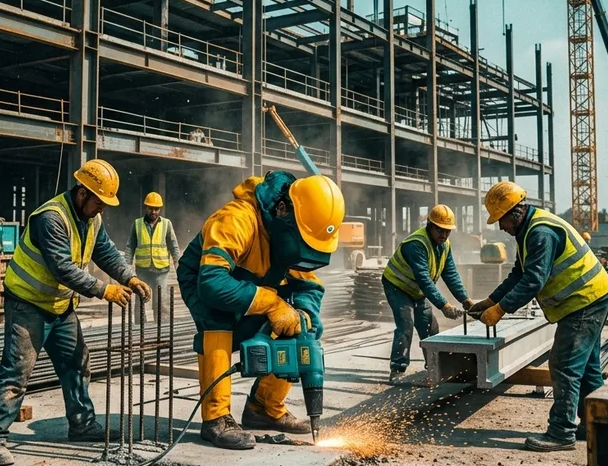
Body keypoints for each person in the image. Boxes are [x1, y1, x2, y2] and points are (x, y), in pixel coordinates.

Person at [0, 159, 152, 466]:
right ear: (82, 193)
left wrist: (129, 277)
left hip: (60, 307)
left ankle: (82, 425)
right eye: (99, 202)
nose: (102, 209)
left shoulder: (91, 219)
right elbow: (63, 268)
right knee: (17, 372)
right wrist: (104, 290)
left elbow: (106, 252)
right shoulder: (51, 218)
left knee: (77, 364)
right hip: (28, 305)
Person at [177, 171, 344, 450]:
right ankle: (216, 419)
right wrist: (271, 303)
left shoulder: (290, 231)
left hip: (258, 282)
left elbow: (309, 288)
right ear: (282, 210)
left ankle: (264, 408)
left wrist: (302, 315)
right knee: (217, 325)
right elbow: (212, 282)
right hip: (206, 281)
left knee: (303, 328)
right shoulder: (237, 218)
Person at [468, 182, 608, 452]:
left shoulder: (540, 233)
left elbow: (533, 281)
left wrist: (500, 310)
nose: (501, 228)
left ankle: (561, 433)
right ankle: (595, 426)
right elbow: (519, 274)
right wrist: (491, 300)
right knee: (588, 369)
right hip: (593, 297)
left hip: (583, 301)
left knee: (564, 365)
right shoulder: (529, 230)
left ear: (515, 212)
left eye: (501, 220)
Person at [382, 205, 470, 384]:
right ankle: (397, 369)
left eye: (447, 231)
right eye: (440, 230)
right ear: (430, 225)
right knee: (406, 324)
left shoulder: (444, 245)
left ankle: (434, 366)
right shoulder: (416, 244)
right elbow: (424, 279)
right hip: (397, 286)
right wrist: (444, 305)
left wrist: (465, 299)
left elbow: (450, 273)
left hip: (417, 290)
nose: (443, 235)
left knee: (430, 327)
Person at [125, 192, 180, 318]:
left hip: (161, 270)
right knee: (140, 301)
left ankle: (162, 330)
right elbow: (130, 246)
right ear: (146, 207)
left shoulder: (166, 224)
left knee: (161, 302)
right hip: (142, 270)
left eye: (156, 209)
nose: (153, 212)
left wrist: (178, 263)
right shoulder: (137, 224)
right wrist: (127, 266)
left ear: (160, 209)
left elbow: (173, 245)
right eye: (151, 208)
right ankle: (140, 330)